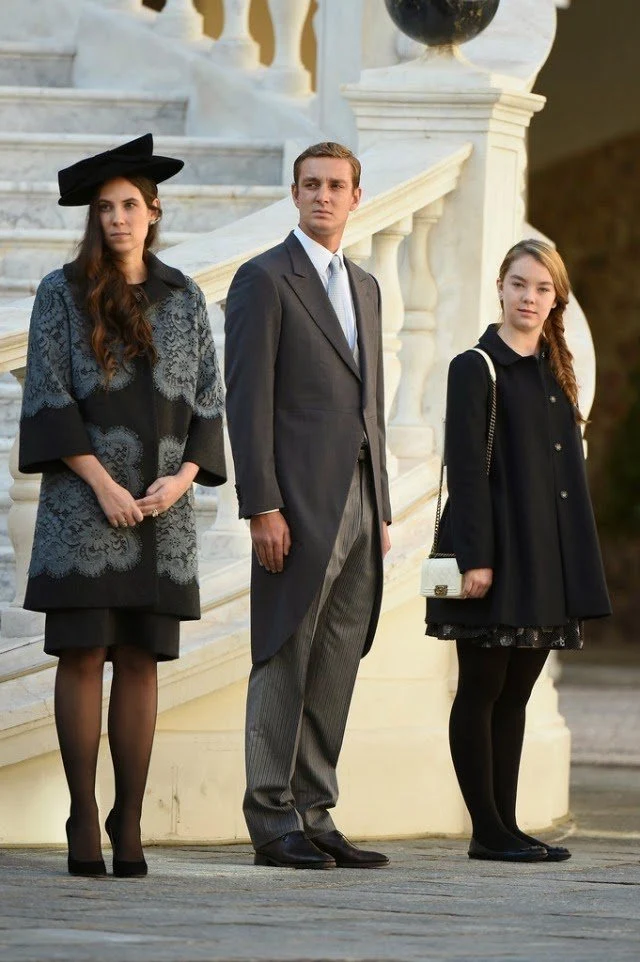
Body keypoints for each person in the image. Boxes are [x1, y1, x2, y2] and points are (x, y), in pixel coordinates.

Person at [19, 133, 226, 877]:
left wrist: (180, 481)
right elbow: (46, 395)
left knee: (141, 660)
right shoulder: (60, 293)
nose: (118, 218)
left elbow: (209, 401)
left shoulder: (185, 296)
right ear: (93, 217)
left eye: (130, 205)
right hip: (83, 514)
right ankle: (81, 813)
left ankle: (128, 819)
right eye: (105, 208)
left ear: (153, 210)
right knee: (82, 656)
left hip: (161, 515)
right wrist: (102, 484)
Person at [224, 142, 391, 869]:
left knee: (337, 657)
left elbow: (371, 403)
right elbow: (247, 399)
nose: (323, 196)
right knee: (283, 650)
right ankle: (270, 818)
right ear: (294, 193)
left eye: (336, 186)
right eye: (312, 185)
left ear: (356, 196)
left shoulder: (367, 286)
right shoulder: (264, 279)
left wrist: (381, 504)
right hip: (293, 503)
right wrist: (262, 504)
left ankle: (315, 811)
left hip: (361, 496)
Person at [426, 239, 611, 863]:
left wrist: (571, 563)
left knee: (517, 694)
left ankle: (507, 825)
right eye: (519, 284)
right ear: (500, 287)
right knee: (480, 688)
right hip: (496, 553)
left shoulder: (556, 370)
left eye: (542, 289)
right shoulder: (474, 365)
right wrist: (477, 557)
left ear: (555, 299)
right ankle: (486, 829)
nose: (529, 298)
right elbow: (466, 471)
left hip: (545, 557)